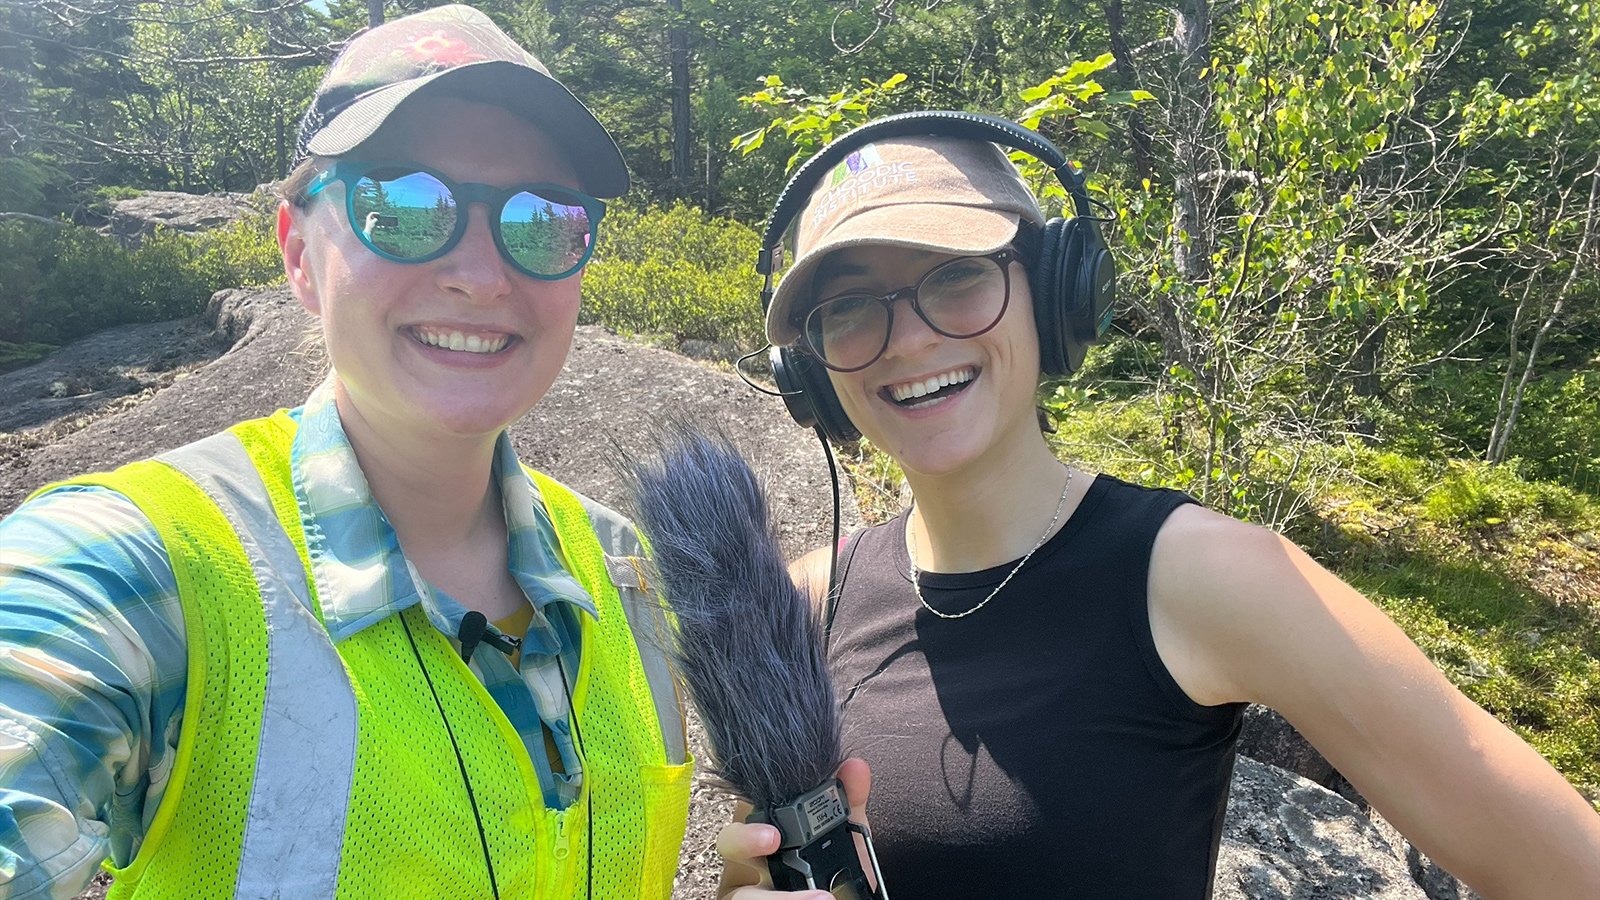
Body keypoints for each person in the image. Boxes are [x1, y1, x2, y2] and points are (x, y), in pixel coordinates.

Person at [715, 118, 1600, 899]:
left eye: (955, 276)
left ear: (1056, 291)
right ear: (811, 375)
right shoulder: (801, 605)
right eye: (848, 307)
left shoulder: (1207, 573)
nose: (908, 339)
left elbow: (1568, 869)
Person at [0, 7, 692, 899]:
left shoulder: (626, 571)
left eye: (542, 219)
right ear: (297, 252)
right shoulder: (131, 567)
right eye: (400, 205)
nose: (483, 276)